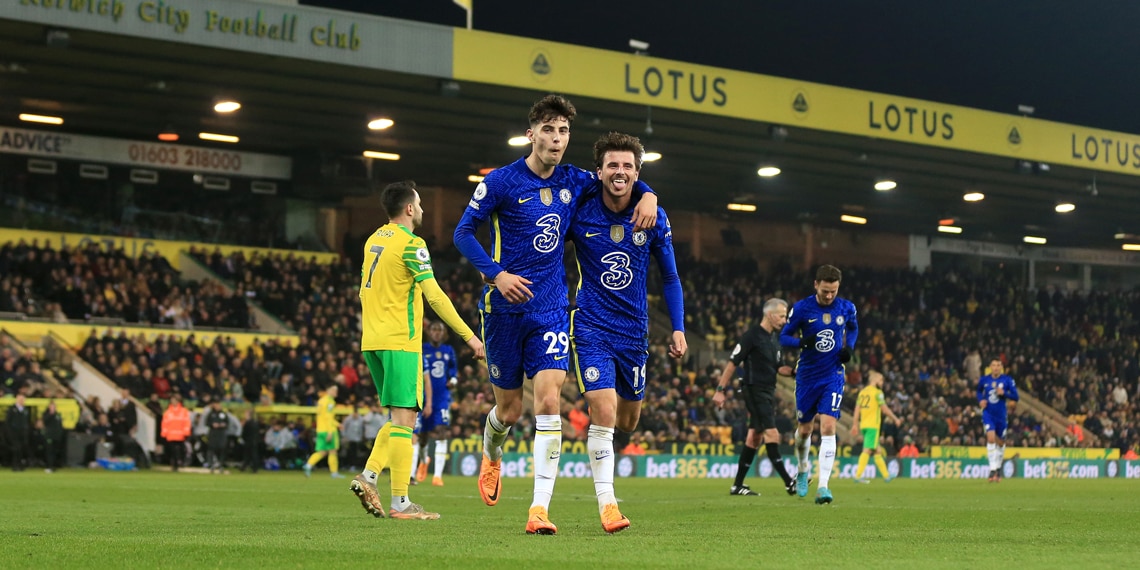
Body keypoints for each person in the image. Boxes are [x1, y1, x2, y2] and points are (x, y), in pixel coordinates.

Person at [453, 94, 657, 535]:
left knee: (549, 402)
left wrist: (649, 194)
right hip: (504, 309)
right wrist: (495, 274)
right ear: (532, 134)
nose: (557, 139)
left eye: (563, 131)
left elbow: (617, 178)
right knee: (507, 411)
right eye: (549, 130)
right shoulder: (502, 181)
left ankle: (538, 509)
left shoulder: (575, 179)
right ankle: (493, 453)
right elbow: (463, 232)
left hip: (550, 307)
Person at [566, 131, 685, 533]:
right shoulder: (580, 209)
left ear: (637, 173)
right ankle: (608, 504)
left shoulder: (652, 216)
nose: (620, 172)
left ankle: (606, 467)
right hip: (590, 325)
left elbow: (670, 277)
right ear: (599, 171)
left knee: (628, 421)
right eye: (612, 165)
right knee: (603, 411)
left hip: (634, 333)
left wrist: (680, 328)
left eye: (628, 166)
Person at [349, 180, 485, 521]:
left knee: (398, 419)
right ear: (409, 208)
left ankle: (368, 477)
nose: (422, 210)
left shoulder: (374, 239)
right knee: (405, 421)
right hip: (400, 341)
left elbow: (363, 291)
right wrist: (471, 337)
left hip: (373, 340)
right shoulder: (412, 244)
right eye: (420, 204)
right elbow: (435, 295)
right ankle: (400, 502)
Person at [780, 264, 858, 505]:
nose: (829, 296)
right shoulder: (802, 308)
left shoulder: (846, 308)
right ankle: (803, 469)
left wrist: (849, 348)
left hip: (832, 374)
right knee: (805, 430)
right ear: (816, 285)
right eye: (825, 291)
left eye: (833, 291)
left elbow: (853, 328)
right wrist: (802, 342)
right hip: (807, 376)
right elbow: (783, 336)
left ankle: (823, 485)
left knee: (828, 427)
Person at [713, 298, 796, 497]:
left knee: (754, 437)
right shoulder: (751, 336)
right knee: (772, 433)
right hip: (753, 389)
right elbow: (733, 362)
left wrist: (795, 371)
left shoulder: (774, 340)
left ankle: (737, 485)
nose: (785, 320)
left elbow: (779, 368)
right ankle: (788, 481)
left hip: (768, 390)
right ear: (770, 314)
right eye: (782, 315)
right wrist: (720, 389)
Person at [418, 321, 457, 487]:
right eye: (434, 329)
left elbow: (453, 372)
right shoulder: (421, 349)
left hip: (442, 398)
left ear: (444, 334)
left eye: (440, 330)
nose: (436, 333)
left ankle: (438, 476)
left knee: (441, 431)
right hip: (423, 397)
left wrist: (453, 380)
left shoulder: (448, 351)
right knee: (422, 436)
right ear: (429, 332)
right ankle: (423, 461)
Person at [850, 370, 901, 483]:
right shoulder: (877, 393)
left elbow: (857, 409)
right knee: (867, 450)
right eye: (881, 379)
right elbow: (884, 409)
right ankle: (858, 476)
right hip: (873, 425)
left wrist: (855, 424)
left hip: (864, 424)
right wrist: (895, 418)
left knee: (877, 451)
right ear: (875, 380)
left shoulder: (862, 392)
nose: (882, 382)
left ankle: (886, 476)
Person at [978, 359, 1019, 482]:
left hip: (1001, 416)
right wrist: (980, 400)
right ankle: (992, 470)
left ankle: (998, 469)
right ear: (990, 366)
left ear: (1001, 367)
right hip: (988, 414)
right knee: (990, 438)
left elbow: (1016, 396)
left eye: (998, 365)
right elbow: (978, 391)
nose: (996, 367)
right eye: (994, 365)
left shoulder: (1007, 380)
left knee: (1000, 443)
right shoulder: (984, 380)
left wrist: (1004, 393)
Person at [304, 385, 344, 478]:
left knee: (322, 451)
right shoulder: (330, 402)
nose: (336, 392)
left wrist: (338, 424)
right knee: (333, 451)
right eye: (334, 390)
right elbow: (328, 417)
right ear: (328, 390)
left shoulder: (321, 401)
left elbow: (322, 416)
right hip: (329, 430)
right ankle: (334, 472)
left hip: (320, 429)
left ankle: (308, 465)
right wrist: (330, 431)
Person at [160, 394, 191, 472]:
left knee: (181, 450)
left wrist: (186, 432)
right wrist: (164, 433)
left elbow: (186, 422)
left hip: (180, 435)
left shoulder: (184, 411)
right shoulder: (167, 412)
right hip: (171, 435)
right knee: (172, 451)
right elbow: (164, 423)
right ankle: (174, 464)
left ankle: (180, 462)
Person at [6, 393, 32, 471]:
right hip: (14, 433)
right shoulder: (12, 409)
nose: (22, 401)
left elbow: (28, 421)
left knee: (21, 449)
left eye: (23, 399)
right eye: (20, 399)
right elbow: (8, 422)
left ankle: (20, 465)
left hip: (23, 433)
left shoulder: (26, 410)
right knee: (16, 449)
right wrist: (9, 433)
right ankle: (15, 465)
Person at [205, 399, 229, 474]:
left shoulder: (224, 414)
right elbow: (207, 423)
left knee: (221, 449)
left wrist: (223, 425)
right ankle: (211, 465)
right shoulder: (211, 414)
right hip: (213, 433)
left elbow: (227, 423)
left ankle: (221, 465)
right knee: (211, 449)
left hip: (221, 434)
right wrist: (212, 424)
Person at [42, 400, 64, 472]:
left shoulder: (58, 415)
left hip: (56, 436)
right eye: (51, 406)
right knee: (49, 451)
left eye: (54, 406)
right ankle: (49, 466)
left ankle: (53, 465)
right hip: (49, 435)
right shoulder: (46, 414)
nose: (53, 408)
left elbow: (60, 425)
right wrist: (51, 414)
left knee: (55, 451)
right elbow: (45, 421)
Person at [240, 409, 261, 473]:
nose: (245, 415)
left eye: (246, 414)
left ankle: (254, 468)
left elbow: (245, 432)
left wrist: (243, 438)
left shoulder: (248, 423)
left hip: (249, 440)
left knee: (251, 454)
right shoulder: (255, 422)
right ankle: (245, 467)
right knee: (250, 454)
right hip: (254, 440)